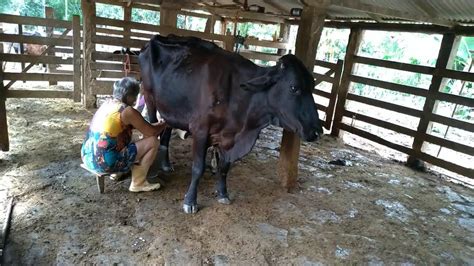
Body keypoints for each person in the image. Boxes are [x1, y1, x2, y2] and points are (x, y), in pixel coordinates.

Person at [81, 77, 166, 192]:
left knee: (123, 140)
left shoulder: (107, 104)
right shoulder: (127, 111)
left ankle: (116, 174)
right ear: (129, 96)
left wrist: (157, 124)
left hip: (88, 156)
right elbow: (152, 132)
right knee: (152, 141)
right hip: (105, 163)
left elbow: (140, 127)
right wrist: (165, 124)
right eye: (135, 96)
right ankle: (138, 182)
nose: (136, 99)